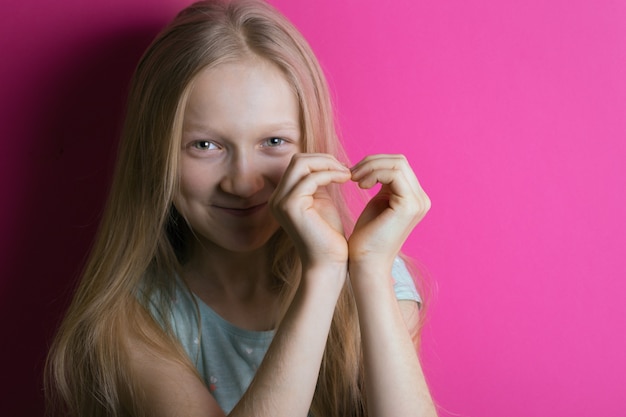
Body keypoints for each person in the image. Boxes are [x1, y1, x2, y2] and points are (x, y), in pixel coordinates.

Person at [45, 0, 437, 416]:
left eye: (273, 142)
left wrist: (372, 270)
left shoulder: (371, 274)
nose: (244, 182)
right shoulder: (135, 317)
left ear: (311, 146)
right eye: (205, 145)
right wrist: (320, 277)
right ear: (155, 156)